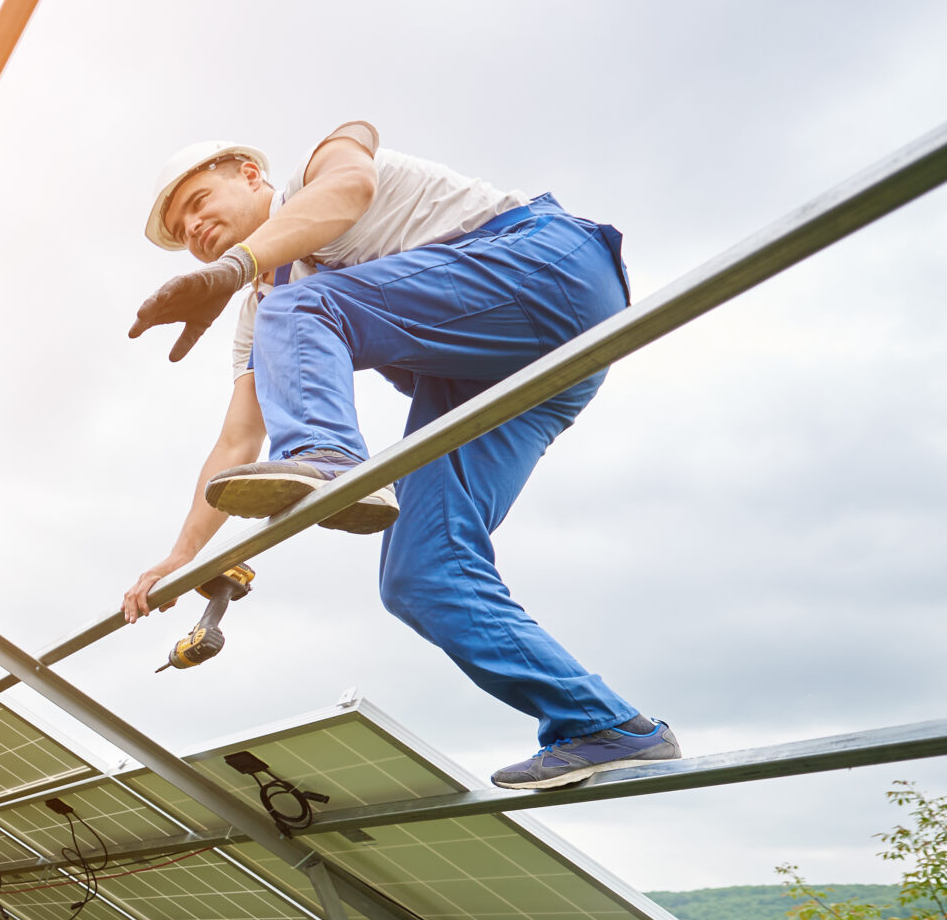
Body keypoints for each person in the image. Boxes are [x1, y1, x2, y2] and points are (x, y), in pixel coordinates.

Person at [120, 124, 678, 790]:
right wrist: (185, 556)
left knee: (302, 305)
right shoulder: (269, 307)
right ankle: (603, 724)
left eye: (198, 200)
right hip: (498, 371)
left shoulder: (314, 178)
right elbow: (239, 440)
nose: (194, 227)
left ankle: (328, 459)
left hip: (544, 268)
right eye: (181, 230)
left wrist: (234, 267)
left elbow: (353, 184)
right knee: (421, 574)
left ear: (247, 172)